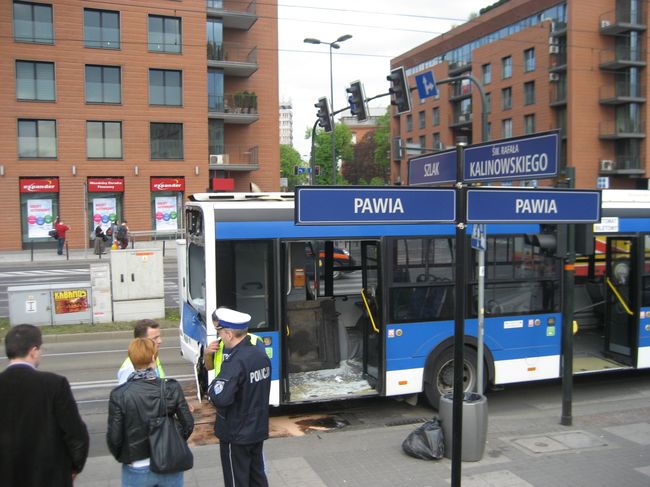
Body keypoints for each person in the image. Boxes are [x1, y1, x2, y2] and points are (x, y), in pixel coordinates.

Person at [0, 324, 89, 487]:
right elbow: (75, 433)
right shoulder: (54, 384)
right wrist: (74, 467)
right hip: (49, 477)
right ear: (33, 351)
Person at [107, 338, 194, 486]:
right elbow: (188, 423)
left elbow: (114, 438)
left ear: (131, 360)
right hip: (170, 463)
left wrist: (126, 456)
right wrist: (174, 440)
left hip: (136, 466)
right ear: (154, 358)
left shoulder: (119, 395)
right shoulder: (171, 388)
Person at [207, 307, 271, 487]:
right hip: (257, 429)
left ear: (228, 333)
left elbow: (220, 398)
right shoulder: (259, 354)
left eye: (219, 331)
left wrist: (211, 389)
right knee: (257, 477)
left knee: (237, 481)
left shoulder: (235, 361)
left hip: (235, 433)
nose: (218, 336)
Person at [117, 319, 165, 385]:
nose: (160, 341)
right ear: (142, 341)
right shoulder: (129, 367)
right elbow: (123, 393)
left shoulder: (153, 357)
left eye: (159, 336)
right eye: (155, 338)